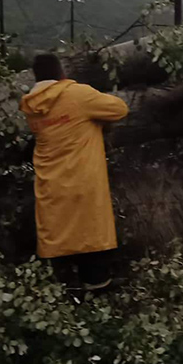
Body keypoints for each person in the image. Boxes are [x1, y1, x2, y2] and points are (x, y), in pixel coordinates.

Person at [20, 53, 129, 292]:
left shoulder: (31, 105)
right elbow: (120, 109)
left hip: (51, 183)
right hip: (83, 182)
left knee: (61, 241)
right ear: (61, 72)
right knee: (91, 240)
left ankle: (67, 293)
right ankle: (97, 292)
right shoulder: (78, 94)